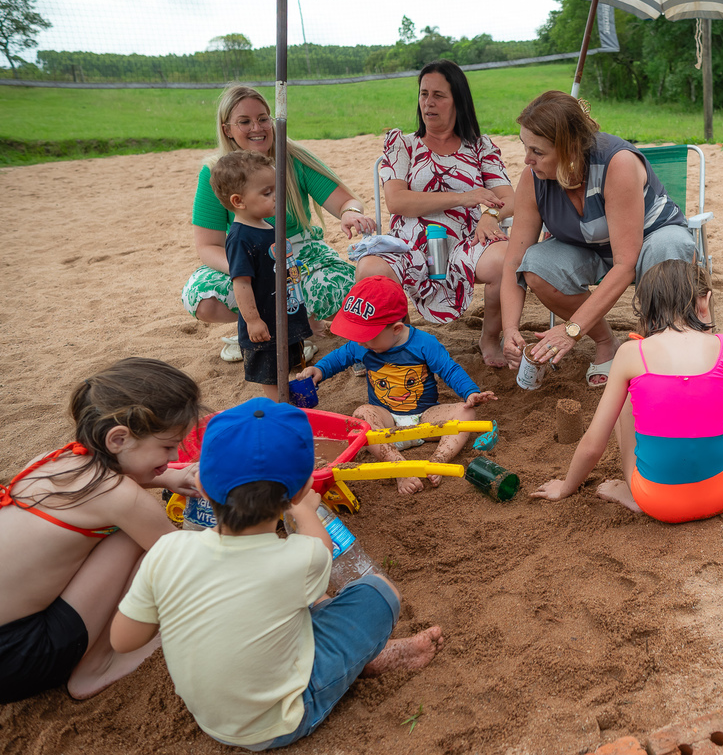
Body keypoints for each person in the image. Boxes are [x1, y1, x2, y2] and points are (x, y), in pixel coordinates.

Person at [111, 398, 445, 750]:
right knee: (378, 592)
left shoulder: (167, 550)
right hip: (281, 721)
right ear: (302, 488)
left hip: (210, 717)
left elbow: (124, 640)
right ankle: (368, 660)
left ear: (204, 488)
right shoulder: (299, 558)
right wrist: (306, 511)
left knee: (289, 602)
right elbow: (322, 546)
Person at [532, 260, 723, 522]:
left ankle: (631, 492)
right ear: (704, 302)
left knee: (628, 395)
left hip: (657, 503)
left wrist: (565, 487)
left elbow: (594, 445)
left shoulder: (631, 354)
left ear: (647, 309)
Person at [0, 358, 202, 703]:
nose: (173, 457)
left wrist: (169, 477)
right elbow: (185, 560)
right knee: (134, 538)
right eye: (168, 447)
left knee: (119, 528)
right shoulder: (120, 497)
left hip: (9, 638)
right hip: (19, 654)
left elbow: (116, 480)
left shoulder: (56, 460)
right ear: (118, 438)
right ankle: (98, 664)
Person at [500, 90, 697, 388]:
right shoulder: (533, 178)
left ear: (568, 150)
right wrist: (510, 327)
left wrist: (571, 330)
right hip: (588, 248)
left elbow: (625, 263)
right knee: (535, 264)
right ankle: (607, 342)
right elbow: (515, 258)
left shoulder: (617, 164)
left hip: (648, 240)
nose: (527, 160)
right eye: (525, 147)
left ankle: (657, 346)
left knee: (670, 247)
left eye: (537, 152)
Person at [182, 84, 375, 364]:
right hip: (245, 257)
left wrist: (350, 213)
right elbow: (208, 245)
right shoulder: (216, 172)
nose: (257, 127)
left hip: (299, 255)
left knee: (352, 292)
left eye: (263, 118)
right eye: (244, 121)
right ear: (227, 129)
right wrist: (245, 270)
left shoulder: (294, 157)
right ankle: (266, 329)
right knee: (201, 297)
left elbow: (347, 202)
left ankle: (291, 327)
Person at [354, 60, 515, 368]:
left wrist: (490, 216)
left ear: (458, 100)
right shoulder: (403, 144)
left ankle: (490, 337)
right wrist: (464, 197)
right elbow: (397, 201)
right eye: (423, 93)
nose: (428, 102)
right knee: (371, 268)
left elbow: (509, 198)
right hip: (408, 245)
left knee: (506, 259)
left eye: (438, 95)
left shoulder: (480, 147)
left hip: (467, 242)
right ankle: (395, 344)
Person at [298, 276, 496, 495]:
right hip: (386, 422)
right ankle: (399, 468)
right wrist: (320, 369)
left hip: (425, 418)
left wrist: (470, 392)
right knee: (362, 414)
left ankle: (438, 459)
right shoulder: (363, 346)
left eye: (366, 336)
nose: (360, 342)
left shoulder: (424, 343)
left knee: (465, 412)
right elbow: (340, 357)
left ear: (396, 328)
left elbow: (449, 369)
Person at [211, 150, 312, 401]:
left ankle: (287, 401)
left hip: (284, 313)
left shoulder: (268, 225)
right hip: (264, 322)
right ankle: (279, 408)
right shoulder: (240, 238)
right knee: (271, 372)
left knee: (287, 363)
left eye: (275, 189)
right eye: (267, 193)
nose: (276, 197)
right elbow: (241, 283)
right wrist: (253, 321)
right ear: (238, 201)